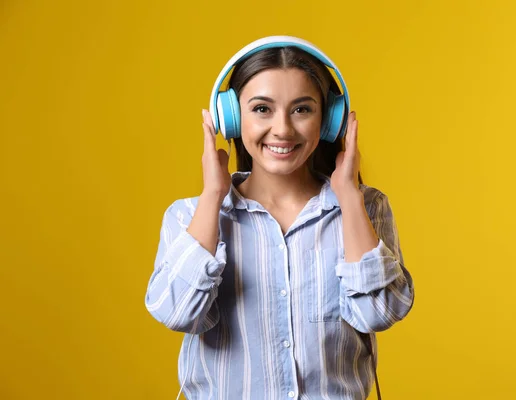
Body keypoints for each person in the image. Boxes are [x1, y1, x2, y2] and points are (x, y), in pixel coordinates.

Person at [145, 36, 415, 400]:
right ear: (232, 118)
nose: (283, 129)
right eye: (262, 109)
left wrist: (348, 195)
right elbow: (178, 313)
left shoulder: (365, 208)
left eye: (302, 109)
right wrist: (212, 195)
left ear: (330, 121)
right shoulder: (189, 216)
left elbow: (378, 313)